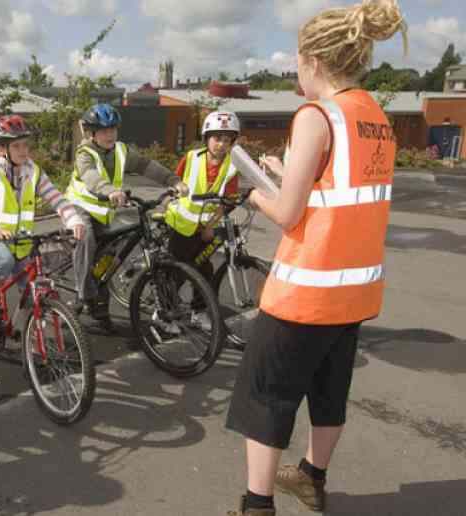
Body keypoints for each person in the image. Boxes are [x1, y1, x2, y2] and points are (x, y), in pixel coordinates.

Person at [224, 1, 407, 514]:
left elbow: (286, 214)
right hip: (354, 291)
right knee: (329, 392)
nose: (295, 72)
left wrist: (256, 190)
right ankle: (311, 477)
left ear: (315, 63)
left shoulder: (315, 116)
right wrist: (289, 172)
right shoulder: (373, 116)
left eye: (297, 62)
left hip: (304, 292)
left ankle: (256, 505)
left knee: (264, 398)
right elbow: (339, 191)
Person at [65, 103, 188, 328]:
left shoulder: (121, 151)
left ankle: (99, 303)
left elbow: (146, 165)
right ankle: (83, 293)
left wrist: (173, 181)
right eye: (103, 131)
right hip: (79, 207)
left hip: (104, 211)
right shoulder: (85, 154)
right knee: (87, 239)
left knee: (110, 255)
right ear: (92, 133)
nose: (110, 134)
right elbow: (91, 176)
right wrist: (110, 190)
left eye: (113, 129)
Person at [0, 115, 84, 335]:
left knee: (32, 288)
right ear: (1, 150)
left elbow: (56, 197)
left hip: (22, 241)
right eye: (16, 146)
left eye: (26, 145)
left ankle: (27, 333)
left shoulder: (33, 172)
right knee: (4, 261)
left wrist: (73, 219)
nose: (24, 150)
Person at [165, 110, 242, 282]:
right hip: (181, 224)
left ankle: (201, 307)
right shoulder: (192, 157)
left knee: (203, 268)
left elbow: (227, 201)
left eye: (227, 140)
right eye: (217, 139)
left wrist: (210, 227)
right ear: (206, 138)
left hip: (206, 227)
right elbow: (174, 182)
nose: (221, 144)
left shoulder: (232, 166)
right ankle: (166, 305)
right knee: (177, 269)